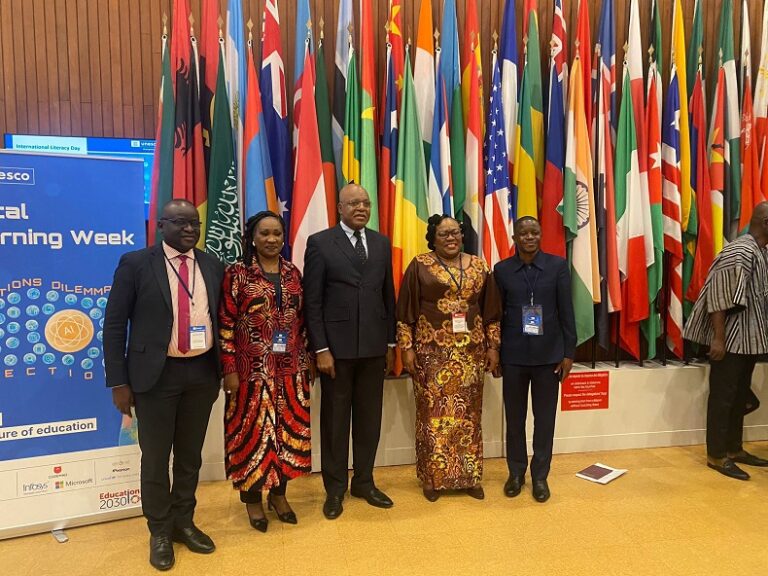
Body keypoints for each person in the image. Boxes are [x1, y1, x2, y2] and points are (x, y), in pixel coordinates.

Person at [103, 199, 224, 571]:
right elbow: (114, 325)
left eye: (195, 223)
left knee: (189, 457)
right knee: (156, 459)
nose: (189, 229)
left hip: (202, 373)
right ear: (160, 225)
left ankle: (183, 522)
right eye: (180, 222)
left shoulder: (212, 265)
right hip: (155, 376)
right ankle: (158, 530)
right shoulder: (136, 264)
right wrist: (118, 381)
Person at [302, 183, 396, 520]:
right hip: (336, 352)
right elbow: (312, 302)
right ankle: (335, 489)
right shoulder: (320, 243)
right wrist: (321, 348)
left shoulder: (381, 243)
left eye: (365, 203)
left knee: (370, 420)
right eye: (353, 203)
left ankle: (364, 482)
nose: (361, 208)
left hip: (373, 348)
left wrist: (390, 344)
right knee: (336, 422)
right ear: (340, 207)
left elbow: (388, 296)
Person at [396, 215, 501, 502]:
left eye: (455, 232)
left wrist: (493, 347)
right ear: (433, 238)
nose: (451, 238)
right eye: (443, 234)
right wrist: (407, 347)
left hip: (471, 354)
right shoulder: (419, 265)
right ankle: (433, 479)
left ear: (462, 235)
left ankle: (469, 477)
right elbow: (405, 313)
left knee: (469, 416)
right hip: (431, 354)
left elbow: (491, 312)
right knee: (432, 416)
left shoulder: (479, 266)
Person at [218, 212, 312, 532]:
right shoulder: (237, 274)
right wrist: (229, 368)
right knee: (252, 434)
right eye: (264, 233)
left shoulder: (292, 272)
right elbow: (226, 323)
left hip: (290, 371)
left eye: (277, 233)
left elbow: (302, 320)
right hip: (250, 372)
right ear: (252, 238)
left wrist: (306, 360)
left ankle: (279, 495)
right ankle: (253, 500)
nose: (271, 239)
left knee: (286, 434)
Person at [683, 202, 768, 481]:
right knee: (723, 398)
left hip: (749, 341)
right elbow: (718, 297)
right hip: (730, 341)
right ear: (765, 222)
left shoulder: (760, 251)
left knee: (739, 395)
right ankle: (717, 455)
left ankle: (734, 449)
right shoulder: (740, 251)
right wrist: (718, 339)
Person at [494, 216, 576, 503]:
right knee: (515, 420)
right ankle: (516, 473)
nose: (529, 237)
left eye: (534, 232)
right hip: (514, 356)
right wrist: (496, 352)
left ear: (541, 235)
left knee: (545, 420)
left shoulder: (557, 267)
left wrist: (568, 353)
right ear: (515, 238)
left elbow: (566, 311)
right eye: (523, 233)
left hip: (548, 357)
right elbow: (497, 315)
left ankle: (540, 476)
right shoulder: (502, 270)